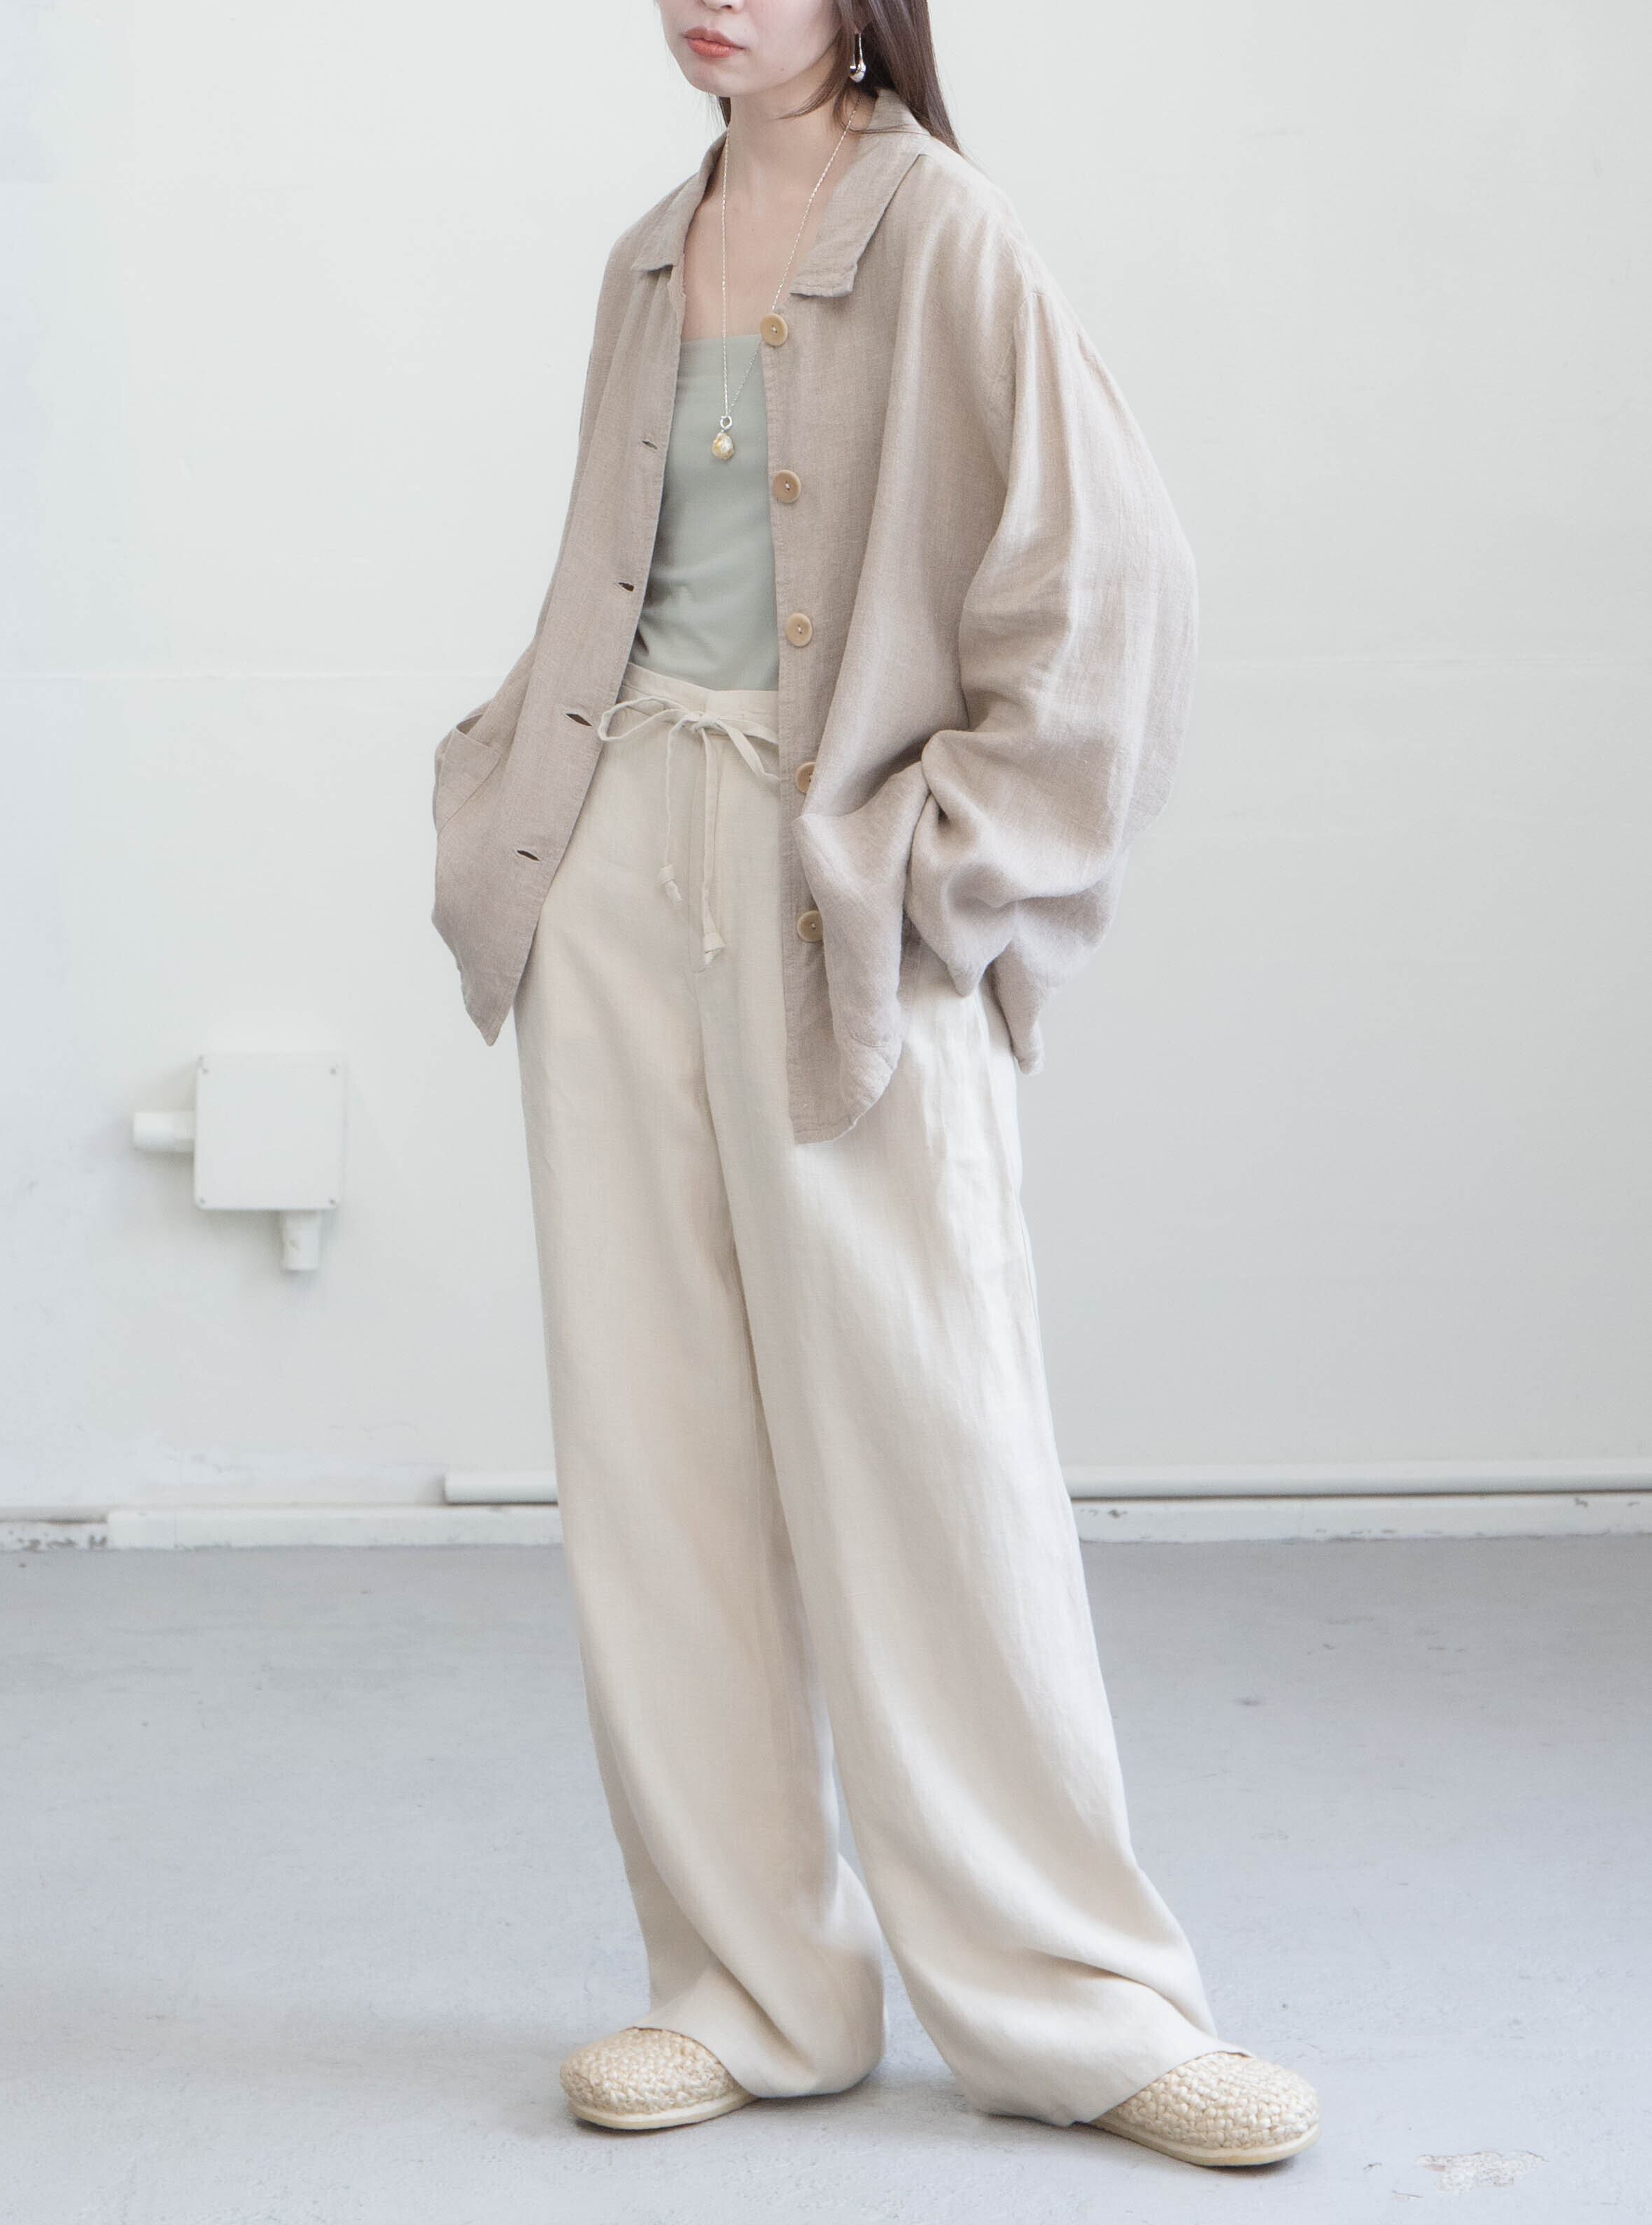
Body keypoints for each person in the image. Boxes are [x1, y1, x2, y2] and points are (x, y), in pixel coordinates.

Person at [429, 0, 1320, 2172]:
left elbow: (1112, 587)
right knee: (655, 1439)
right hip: (614, 873)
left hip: (838, 892)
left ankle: (1078, 2004)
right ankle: (747, 1985)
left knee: (932, 1434)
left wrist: (941, 866)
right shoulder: (650, 253)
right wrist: (500, 790)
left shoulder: (945, 234)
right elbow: (620, 592)